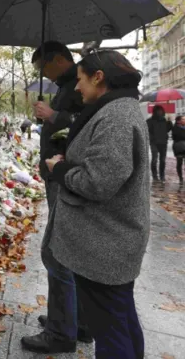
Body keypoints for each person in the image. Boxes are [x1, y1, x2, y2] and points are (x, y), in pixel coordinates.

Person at [46, 50, 149, 359]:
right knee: (120, 320)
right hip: (108, 241)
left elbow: (98, 182)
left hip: (104, 246)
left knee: (111, 331)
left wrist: (59, 170)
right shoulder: (117, 109)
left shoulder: (116, 116)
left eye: (80, 80)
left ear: (98, 77)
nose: (77, 88)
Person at [21, 41, 89, 354]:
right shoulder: (68, 85)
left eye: (43, 68)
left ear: (58, 60)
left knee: (57, 253)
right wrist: (49, 119)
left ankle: (62, 332)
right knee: (70, 250)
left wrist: (54, 116)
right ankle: (75, 321)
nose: (43, 75)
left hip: (66, 178)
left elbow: (85, 128)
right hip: (60, 176)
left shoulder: (80, 84)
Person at [147, 105, 172, 182]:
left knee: (163, 160)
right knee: (154, 159)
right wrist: (152, 139)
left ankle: (162, 175)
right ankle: (155, 176)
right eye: (158, 111)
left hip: (163, 143)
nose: (160, 112)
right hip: (154, 143)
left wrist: (169, 122)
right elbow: (148, 131)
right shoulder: (149, 121)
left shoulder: (165, 120)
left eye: (161, 110)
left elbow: (167, 129)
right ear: (155, 112)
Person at [172, 115, 185, 183]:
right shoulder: (176, 128)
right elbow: (179, 136)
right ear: (178, 121)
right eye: (183, 119)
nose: (184, 120)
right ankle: (180, 178)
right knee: (179, 163)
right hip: (179, 148)